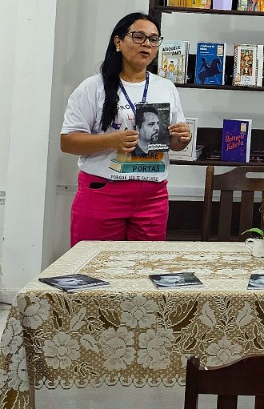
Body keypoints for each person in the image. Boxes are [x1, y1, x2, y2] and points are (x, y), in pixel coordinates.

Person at [59, 13, 191, 244]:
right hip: (104, 192)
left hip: (152, 195)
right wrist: (112, 140)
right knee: (95, 270)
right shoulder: (93, 87)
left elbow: (173, 143)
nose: (147, 44)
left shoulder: (165, 87)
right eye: (138, 37)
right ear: (118, 42)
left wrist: (182, 138)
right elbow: (68, 142)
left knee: (143, 271)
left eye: (153, 39)